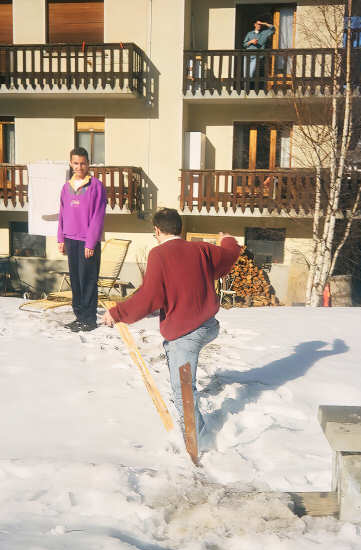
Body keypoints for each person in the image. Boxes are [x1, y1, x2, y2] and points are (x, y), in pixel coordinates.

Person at [102, 208, 241, 439]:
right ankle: (193, 423)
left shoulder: (159, 254)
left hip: (186, 334)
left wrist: (118, 312)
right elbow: (230, 253)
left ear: (157, 230)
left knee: (182, 390)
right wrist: (225, 238)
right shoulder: (201, 249)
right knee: (177, 358)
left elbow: (149, 297)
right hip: (208, 326)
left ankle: (197, 439)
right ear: (180, 228)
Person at [57, 147, 107, 332]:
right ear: (71, 163)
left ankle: (89, 319)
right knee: (76, 280)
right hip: (70, 239)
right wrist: (60, 238)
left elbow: (98, 216)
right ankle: (78, 316)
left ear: (88, 164)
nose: (79, 167)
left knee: (88, 280)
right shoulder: (66, 187)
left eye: (83, 163)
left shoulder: (96, 186)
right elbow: (62, 213)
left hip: (87, 241)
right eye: (76, 163)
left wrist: (91, 242)